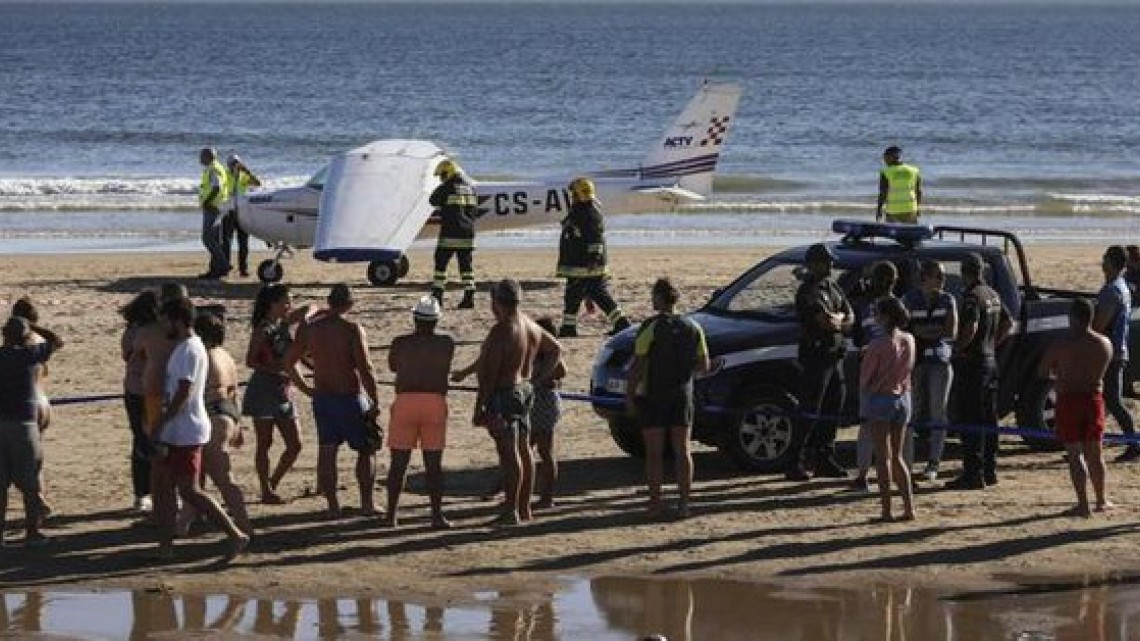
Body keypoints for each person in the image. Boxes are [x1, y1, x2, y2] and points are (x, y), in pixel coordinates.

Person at [151, 297, 248, 560]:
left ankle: (235, 534)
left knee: (189, 490)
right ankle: (166, 545)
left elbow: (184, 391)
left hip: (185, 429)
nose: (162, 326)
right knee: (168, 487)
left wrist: (161, 422)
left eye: (165, 320)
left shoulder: (190, 350)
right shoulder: (186, 347)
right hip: (180, 428)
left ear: (178, 320)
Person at [284, 284, 381, 519]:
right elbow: (365, 368)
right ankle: (367, 503)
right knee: (366, 449)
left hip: (324, 398)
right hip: (349, 396)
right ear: (349, 305)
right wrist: (374, 400)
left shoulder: (311, 329)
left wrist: (307, 388)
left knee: (327, 451)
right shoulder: (351, 329)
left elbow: (289, 362)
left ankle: (333, 506)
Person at [473, 279, 563, 526]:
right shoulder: (529, 325)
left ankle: (512, 510)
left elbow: (489, 376)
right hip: (523, 391)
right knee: (523, 450)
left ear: (497, 302)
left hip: (506, 393)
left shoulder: (503, 329)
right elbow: (555, 349)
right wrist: (536, 379)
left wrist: (480, 406)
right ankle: (523, 508)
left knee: (510, 453)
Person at [625, 278, 709, 519]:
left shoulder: (650, 327)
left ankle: (655, 503)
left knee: (654, 453)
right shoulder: (693, 327)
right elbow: (703, 365)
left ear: (660, 298)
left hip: (655, 394)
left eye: (654, 295)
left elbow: (638, 366)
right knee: (682, 450)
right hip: (682, 393)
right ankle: (684, 504)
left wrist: (629, 396)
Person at [175, 313, 252, 536]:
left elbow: (191, 390)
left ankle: (244, 526)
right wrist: (238, 425)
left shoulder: (203, 356)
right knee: (197, 478)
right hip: (227, 413)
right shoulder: (225, 355)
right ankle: (182, 526)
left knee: (222, 478)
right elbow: (234, 391)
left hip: (212, 413)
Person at [1039, 298, 1114, 517]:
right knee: (1095, 453)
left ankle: (1083, 504)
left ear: (1072, 318)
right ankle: (1100, 500)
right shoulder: (1103, 343)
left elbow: (1043, 371)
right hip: (1093, 398)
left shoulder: (1060, 345)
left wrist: (1060, 376)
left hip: (1069, 399)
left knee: (1074, 454)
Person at [384, 296, 454, 529]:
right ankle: (436, 515)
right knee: (433, 465)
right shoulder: (446, 343)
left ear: (415, 318)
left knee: (399, 463)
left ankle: (391, 515)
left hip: (406, 400)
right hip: (434, 401)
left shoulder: (400, 342)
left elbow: (393, 366)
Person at [945, 253, 1012, 490]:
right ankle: (990, 470)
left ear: (965, 272)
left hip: (973, 363)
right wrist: (993, 344)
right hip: (990, 361)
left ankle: (973, 473)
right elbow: (1008, 323)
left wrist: (957, 349)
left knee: (971, 419)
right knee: (988, 418)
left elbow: (971, 327)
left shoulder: (972, 297)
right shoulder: (993, 294)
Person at [787, 243, 853, 481]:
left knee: (833, 407)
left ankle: (825, 456)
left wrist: (840, 318)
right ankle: (795, 460)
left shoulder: (833, 288)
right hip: (816, 357)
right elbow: (825, 322)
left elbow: (849, 317)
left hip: (835, 355)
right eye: (826, 263)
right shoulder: (808, 291)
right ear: (814, 265)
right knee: (810, 409)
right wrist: (839, 319)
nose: (831, 266)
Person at [242, 284, 310, 504]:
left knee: (295, 443)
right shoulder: (263, 328)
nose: (289, 305)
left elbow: (309, 308)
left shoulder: (282, 324)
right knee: (265, 442)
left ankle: (273, 482)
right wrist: (279, 368)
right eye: (285, 302)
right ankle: (266, 489)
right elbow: (250, 360)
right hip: (264, 388)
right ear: (273, 304)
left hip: (283, 390)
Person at [0, 315, 62, 547]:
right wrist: (32, 326)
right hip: (24, 424)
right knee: (30, 482)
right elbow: (56, 340)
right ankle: (32, 532)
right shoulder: (29, 355)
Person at [860, 297, 916, 522]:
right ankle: (909, 507)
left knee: (883, 458)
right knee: (898, 456)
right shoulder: (909, 339)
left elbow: (865, 380)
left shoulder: (877, 344)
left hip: (881, 399)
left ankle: (886, 511)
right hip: (903, 398)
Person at [902, 260, 957, 482]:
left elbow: (950, 330)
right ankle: (907, 462)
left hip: (940, 362)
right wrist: (929, 331)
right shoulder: (910, 299)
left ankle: (933, 463)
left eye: (943, 277)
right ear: (925, 277)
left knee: (938, 411)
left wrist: (926, 331)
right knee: (912, 412)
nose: (942, 281)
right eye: (938, 276)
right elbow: (907, 329)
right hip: (915, 362)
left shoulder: (948, 299)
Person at [555, 177, 631, 338]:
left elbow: (595, 238)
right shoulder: (578, 212)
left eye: (574, 195)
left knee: (598, 294)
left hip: (586, 265)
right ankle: (568, 327)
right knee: (573, 295)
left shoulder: (590, 214)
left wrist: (594, 258)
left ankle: (622, 323)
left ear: (579, 195)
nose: (572, 198)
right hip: (578, 264)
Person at [849, 260, 899, 492]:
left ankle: (864, 475)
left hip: (873, 370)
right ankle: (887, 474)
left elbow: (859, 336)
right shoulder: (899, 305)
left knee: (870, 425)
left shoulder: (869, 306)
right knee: (893, 427)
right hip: (893, 372)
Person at [1093, 245, 1139, 462]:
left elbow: (1100, 324)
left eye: (1104, 258)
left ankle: (1134, 443)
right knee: (1104, 400)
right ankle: (1092, 443)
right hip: (1115, 351)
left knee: (1113, 401)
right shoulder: (1119, 286)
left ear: (1110, 262)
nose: (1102, 262)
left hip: (1110, 354)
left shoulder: (1113, 290)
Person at [11, 298, 53, 516]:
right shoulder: (37, 343)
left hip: (22, 405)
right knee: (35, 457)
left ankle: (37, 499)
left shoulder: (10, 346)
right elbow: (56, 342)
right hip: (41, 401)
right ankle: (38, 498)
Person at [120, 290, 159, 513]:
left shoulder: (156, 331)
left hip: (150, 390)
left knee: (153, 440)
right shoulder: (135, 332)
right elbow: (131, 355)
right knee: (142, 440)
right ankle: (142, 493)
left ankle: (151, 490)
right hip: (138, 390)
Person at [429, 158, 479, 309]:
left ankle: (438, 295)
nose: (441, 179)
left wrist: (442, 187)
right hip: (468, 234)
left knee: (440, 265)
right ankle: (469, 296)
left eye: (442, 175)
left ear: (448, 173)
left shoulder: (447, 187)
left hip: (450, 234)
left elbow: (432, 200)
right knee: (466, 268)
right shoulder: (470, 188)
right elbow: (474, 212)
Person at [530, 317, 566, 509]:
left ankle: (547, 497)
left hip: (543, 404)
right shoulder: (534, 351)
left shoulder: (549, 353)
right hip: (533, 404)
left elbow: (561, 371)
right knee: (525, 448)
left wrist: (541, 377)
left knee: (544, 451)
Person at [222, 154, 262, 278]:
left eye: (237, 163)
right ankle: (225, 267)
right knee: (226, 242)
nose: (235, 165)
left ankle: (243, 269)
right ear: (228, 165)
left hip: (242, 213)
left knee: (243, 243)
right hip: (229, 212)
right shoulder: (224, 175)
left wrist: (247, 171)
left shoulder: (244, 176)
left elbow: (257, 183)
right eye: (233, 163)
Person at [198, 147, 232, 280]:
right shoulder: (216, 167)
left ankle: (223, 264)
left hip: (213, 207)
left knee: (207, 238)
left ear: (208, 157)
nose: (199, 158)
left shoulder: (213, 169)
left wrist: (207, 202)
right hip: (218, 206)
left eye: (201, 156)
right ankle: (215, 269)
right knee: (215, 239)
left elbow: (216, 187)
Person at [876, 145, 922, 224]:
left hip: (893, 211)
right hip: (911, 209)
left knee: (894, 234)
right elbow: (918, 191)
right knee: (910, 234)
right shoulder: (914, 170)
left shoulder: (886, 172)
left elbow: (883, 193)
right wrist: (918, 207)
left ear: (891, 157)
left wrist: (879, 210)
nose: (884, 160)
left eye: (885, 157)